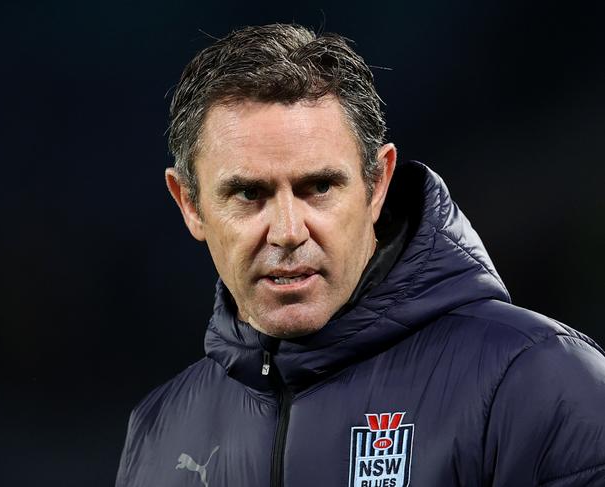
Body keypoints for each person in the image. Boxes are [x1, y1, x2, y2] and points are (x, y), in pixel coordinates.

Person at [115, 23, 605, 487]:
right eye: (248, 195)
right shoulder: (159, 431)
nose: (288, 231)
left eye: (320, 186)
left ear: (377, 185)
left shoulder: (540, 381)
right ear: (190, 204)